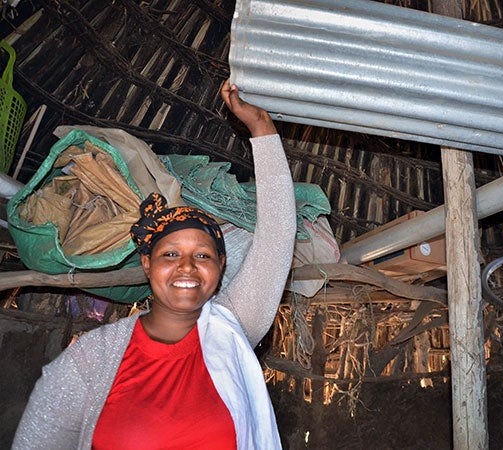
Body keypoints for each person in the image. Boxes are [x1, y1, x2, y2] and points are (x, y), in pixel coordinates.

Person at [12, 80, 297, 450]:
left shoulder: (234, 328)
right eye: (170, 254)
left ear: (221, 266)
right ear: (147, 264)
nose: (187, 267)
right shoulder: (92, 360)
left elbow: (277, 235)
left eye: (203, 255)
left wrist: (261, 127)